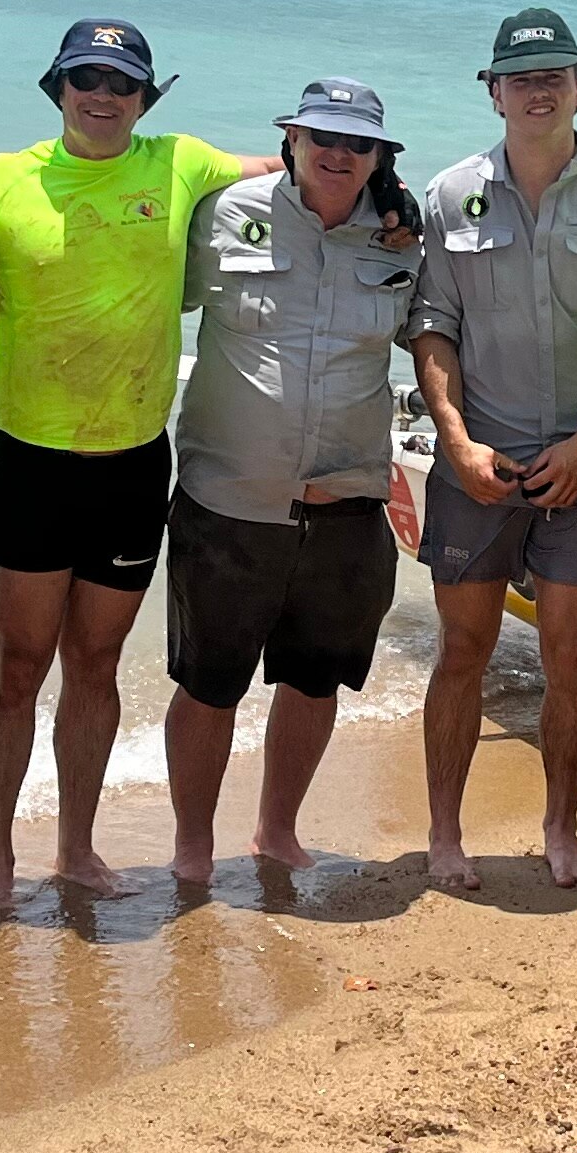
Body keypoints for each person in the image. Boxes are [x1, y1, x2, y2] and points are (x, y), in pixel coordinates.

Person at [0, 20, 263, 898]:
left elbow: (296, 169)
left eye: (123, 83)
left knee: (95, 664)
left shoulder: (182, 162)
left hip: (133, 461)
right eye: (86, 78)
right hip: (30, 458)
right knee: (17, 665)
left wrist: (388, 200)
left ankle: (76, 849)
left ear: (146, 98)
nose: (104, 96)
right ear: (57, 86)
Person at [410, 6, 577, 890]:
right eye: (520, 78)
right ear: (494, 92)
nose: (538, 91)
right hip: (475, 469)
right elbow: (432, 326)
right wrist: (457, 443)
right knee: (462, 651)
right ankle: (445, 833)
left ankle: (562, 830)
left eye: (554, 76)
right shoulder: (449, 196)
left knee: (571, 656)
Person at [161, 80, 423, 884]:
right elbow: (140, 295)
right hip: (228, 499)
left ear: (378, 158)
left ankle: (277, 831)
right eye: (322, 138)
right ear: (292, 142)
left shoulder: (404, 241)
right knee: (209, 683)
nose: (338, 154)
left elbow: (445, 338)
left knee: (315, 680)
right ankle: (192, 845)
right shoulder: (222, 214)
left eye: (357, 144)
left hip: (348, 499)